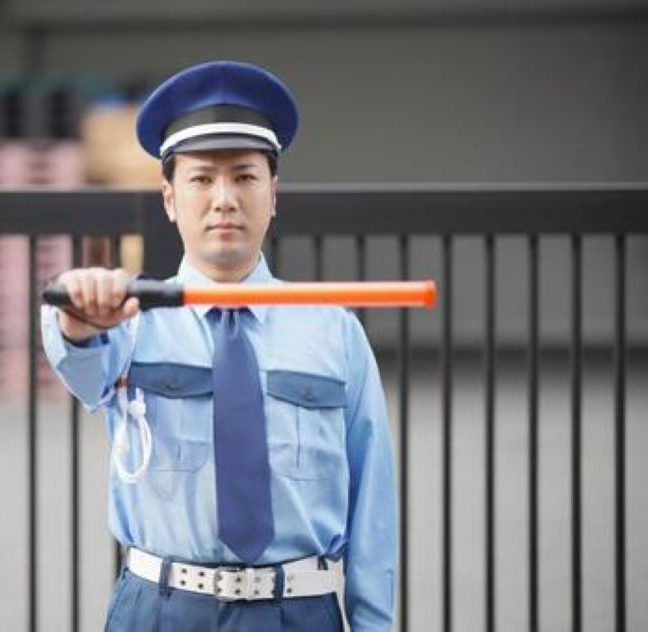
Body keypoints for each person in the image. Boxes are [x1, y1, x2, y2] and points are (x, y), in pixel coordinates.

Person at [41, 60, 397, 631]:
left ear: (273, 194)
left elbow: (373, 504)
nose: (224, 199)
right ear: (168, 198)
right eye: (202, 179)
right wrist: (78, 318)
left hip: (297, 613)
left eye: (245, 177)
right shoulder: (128, 322)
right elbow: (78, 363)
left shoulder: (334, 333)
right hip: (160, 611)